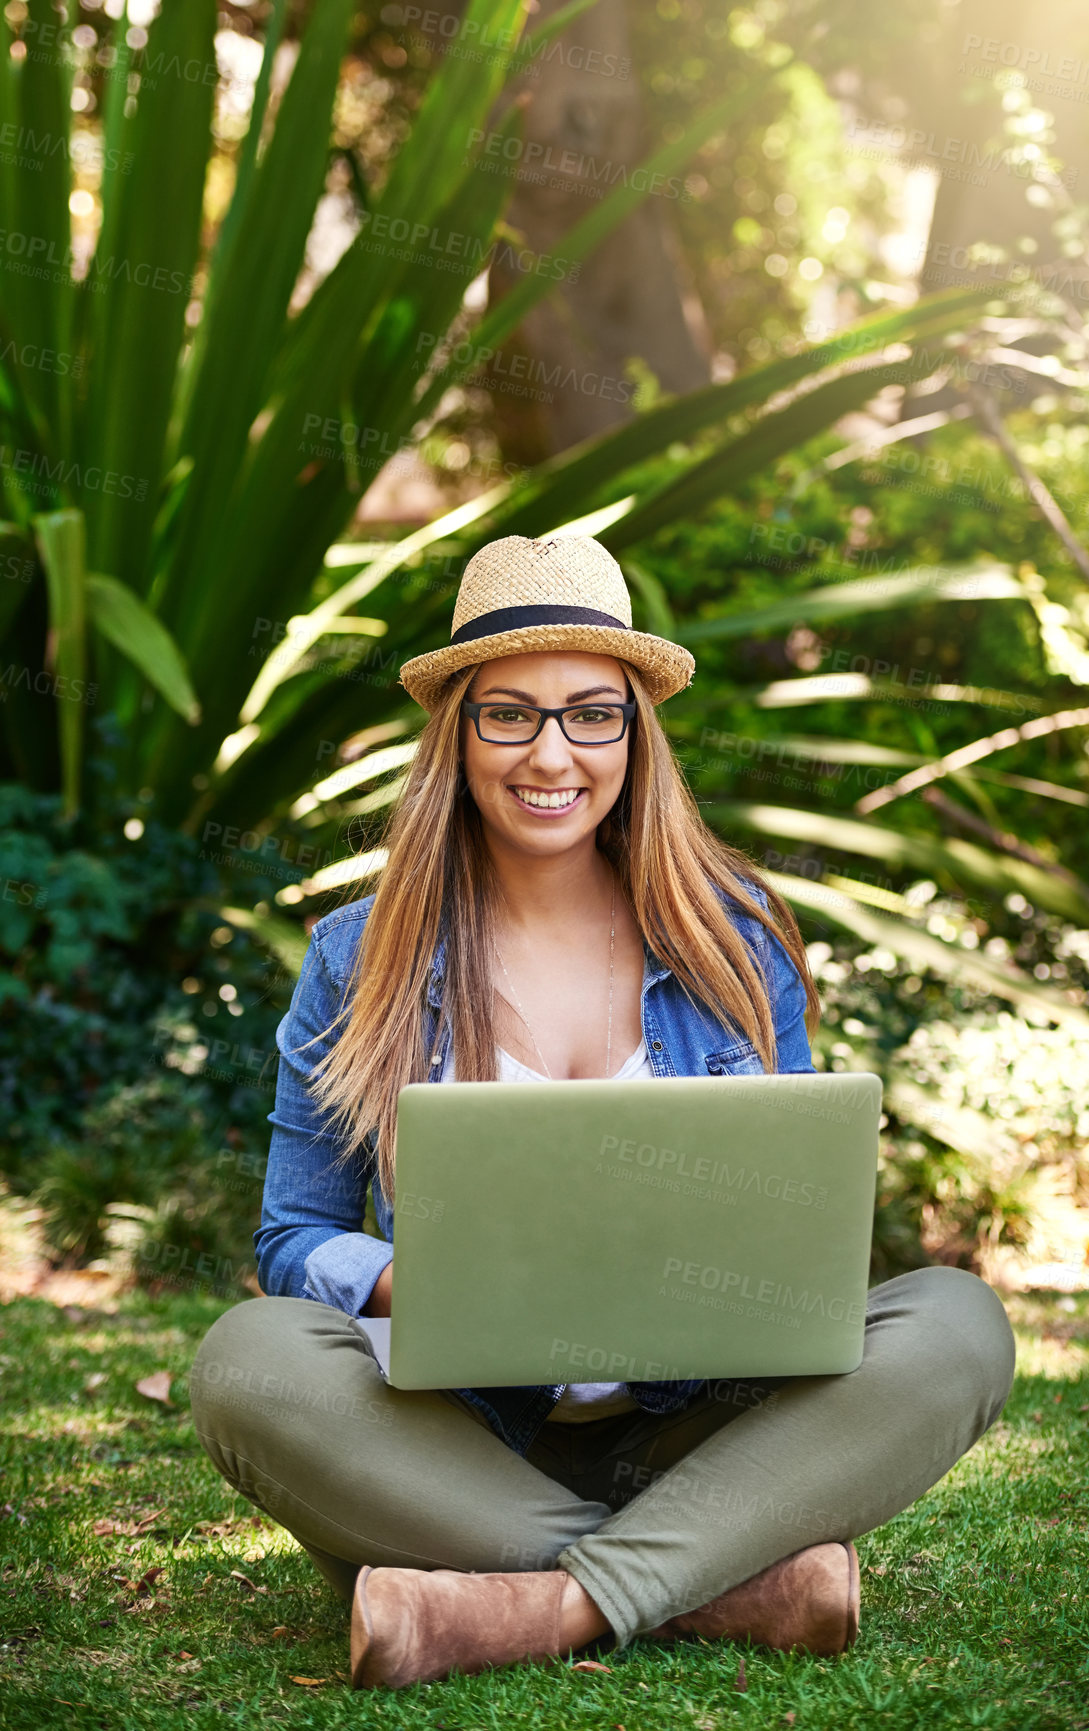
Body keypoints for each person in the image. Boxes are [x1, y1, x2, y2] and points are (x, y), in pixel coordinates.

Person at [189, 534, 1016, 1691]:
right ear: (457, 735)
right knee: (246, 1363)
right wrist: (421, 1281)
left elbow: (803, 1230)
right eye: (509, 715)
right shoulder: (357, 955)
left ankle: (515, 1603)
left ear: (635, 732)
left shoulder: (736, 937)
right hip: (462, 1438)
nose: (552, 754)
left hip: (705, 1430)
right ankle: (727, 1585)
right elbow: (290, 1239)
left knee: (958, 1325)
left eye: (591, 714)